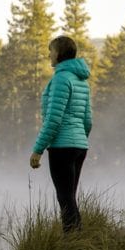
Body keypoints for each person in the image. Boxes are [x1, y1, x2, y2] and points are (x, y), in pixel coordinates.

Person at [29, 36, 92, 233]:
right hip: (79, 146)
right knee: (69, 196)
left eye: (51, 51)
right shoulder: (81, 81)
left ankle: (72, 245)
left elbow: (53, 119)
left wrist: (37, 150)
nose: (49, 54)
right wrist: (79, 140)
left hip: (62, 147)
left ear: (59, 54)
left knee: (65, 198)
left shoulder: (61, 79)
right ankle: (77, 244)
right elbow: (87, 120)